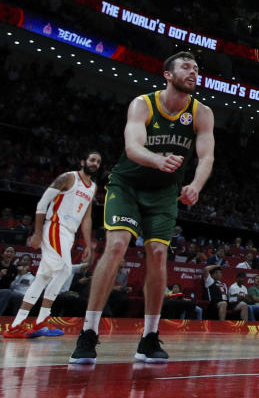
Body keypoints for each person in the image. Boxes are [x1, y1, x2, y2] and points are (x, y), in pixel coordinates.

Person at [70, 51, 215, 365]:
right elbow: (133, 147)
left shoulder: (202, 113)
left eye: (196, 68)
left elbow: (206, 158)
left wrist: (195, 186)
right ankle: (89, 332)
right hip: (127, 186)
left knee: (159, 253)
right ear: (167, 74)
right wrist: (158, 160)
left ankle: (149, 337)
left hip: (164, 193)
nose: (193, 72)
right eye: (186, 67)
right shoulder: (142, 104)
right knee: (118, 244)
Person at [4, 151, 100, 339]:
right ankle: (41, 321)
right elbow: (42, 203)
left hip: (69, 234)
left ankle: (17, 324)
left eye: (98, 161)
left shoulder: (93, 187)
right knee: (64, 270)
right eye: (92, 159)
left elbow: (87, 218)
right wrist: (38, 233)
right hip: (55, 227)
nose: (95, 163)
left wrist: (87, 243)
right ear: (83, 161)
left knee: (44, 276)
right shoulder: (68, 178)